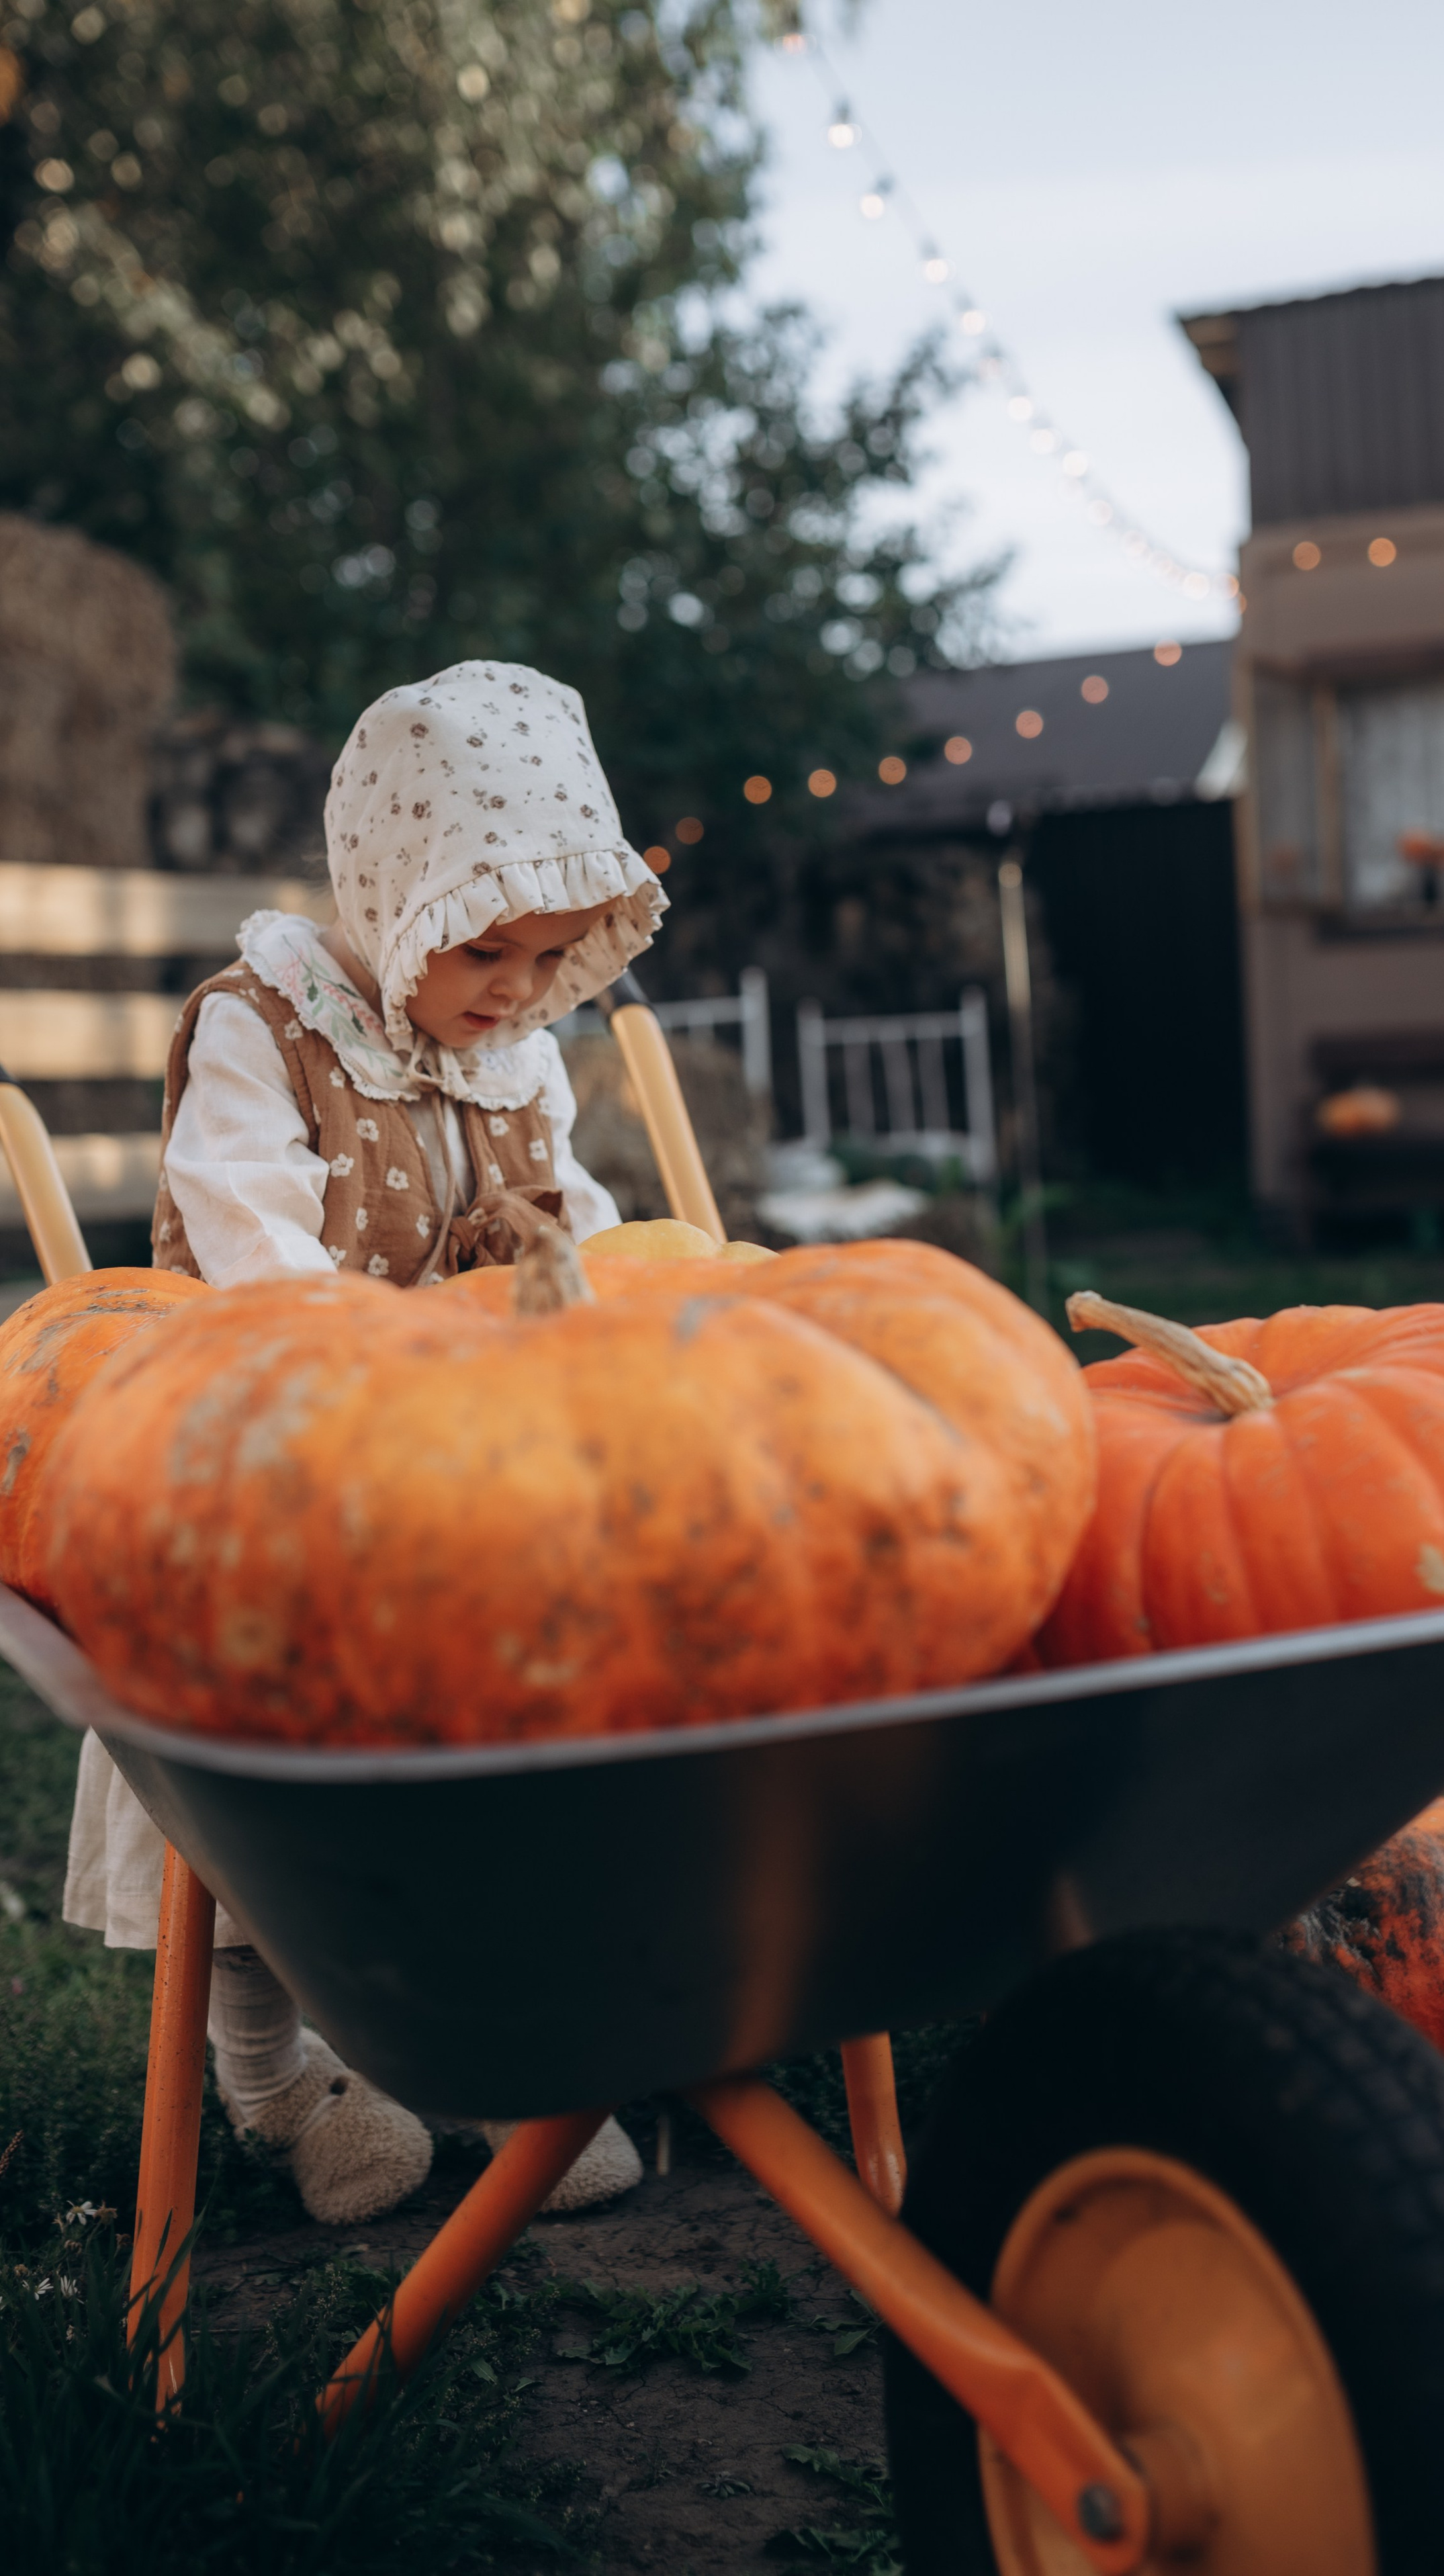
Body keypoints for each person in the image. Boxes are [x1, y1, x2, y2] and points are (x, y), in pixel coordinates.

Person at [64, 661, 664, 2223]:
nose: (518, 987)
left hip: (465, 1482)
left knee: (478, 1784)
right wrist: (381, 1362)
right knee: (275, 1807)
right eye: (484, 947)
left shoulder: (518, 1057)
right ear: (393, 898)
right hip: (274, 1461)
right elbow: (249, 1242)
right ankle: (278, 2087)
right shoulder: (265, 1031)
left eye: (547, 956)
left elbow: (584, 1236)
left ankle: (476, 2056)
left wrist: (603, 1304)